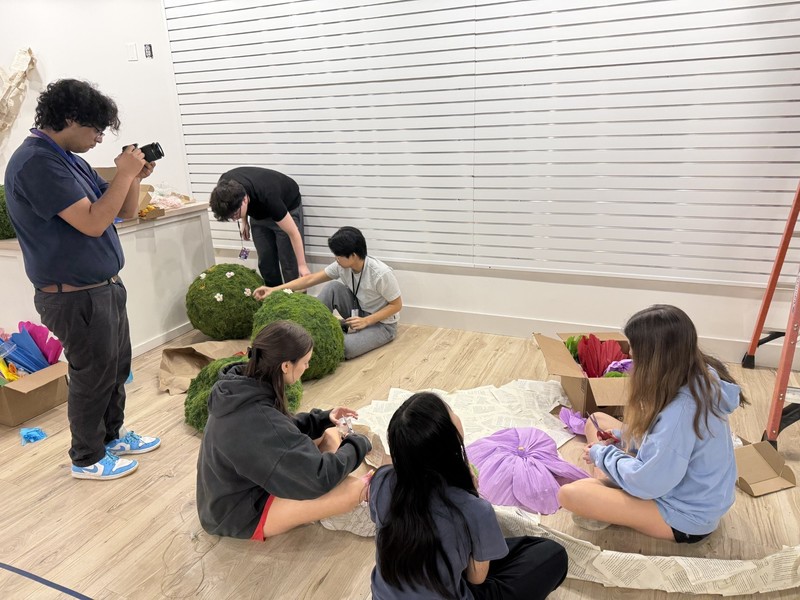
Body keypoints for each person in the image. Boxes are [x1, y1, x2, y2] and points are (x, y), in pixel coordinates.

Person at [3, 79, 161, 480]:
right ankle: (87, 458)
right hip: (74, 296)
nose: (98, 139)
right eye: (95, 129)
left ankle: (111, 437)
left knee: (114, 368)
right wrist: (123, 174)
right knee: (92, 375)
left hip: (103, 287)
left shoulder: (66, 157)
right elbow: (92, 223)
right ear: (70, 119)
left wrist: (134, 177)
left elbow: (119, 212)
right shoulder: (36, 162)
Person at [558, 304, 745, 543]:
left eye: (635, 356)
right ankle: (607, 485)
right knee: (597, 420)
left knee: (571, 494)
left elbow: (648, 483)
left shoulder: (681, 413)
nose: (631, 361)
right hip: (679, 488)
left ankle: (605, 488)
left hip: (685, 518)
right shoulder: (698, 376)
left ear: (655, 360)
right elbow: (665, 442)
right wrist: (622, 438)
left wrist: (603, 455)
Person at [369, 392, 568, 600]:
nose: (456, 414)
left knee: (500, 549)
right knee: (553, 554)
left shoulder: (381, 480)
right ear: (449, 439)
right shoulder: (474, 509)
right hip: (453, 589)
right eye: (451, 411)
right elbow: (476, 579)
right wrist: (471, 494)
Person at [196, 320, 374, 540]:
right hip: (237, 513)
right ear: (286, 366)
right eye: (306, 362)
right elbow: (319, 477)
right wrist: (358, 443)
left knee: (328, 434)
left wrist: (322, 418)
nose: (308, 367)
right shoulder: (257, 418)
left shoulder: (240, 387)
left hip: (227, 495)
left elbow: (278, 430)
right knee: (352, 490)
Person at [254, 226, 402, 360]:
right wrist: (273, 289)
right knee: (332, 287)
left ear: (354, 255)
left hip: (382, 325)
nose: (335, 259)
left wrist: (366, 321)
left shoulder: (380, 274)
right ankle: (309, 327)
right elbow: (309, 279)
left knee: (345, 349)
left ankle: (333, 330)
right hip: (359, 311)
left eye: (338, 255)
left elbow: (396, 305)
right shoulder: (341, 266)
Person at [209, 167, 309, 286]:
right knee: (266, 263)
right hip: (258, 213)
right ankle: (273, 298)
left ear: (245, 199)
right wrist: (244, 221)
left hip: (286, 207)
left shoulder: (269, 197)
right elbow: (234, 204)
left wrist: (302, 266)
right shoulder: (223, 188)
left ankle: (295, 301)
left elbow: (293, 233)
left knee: (289, 264)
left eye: (235, 215)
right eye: (231, 217)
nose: (234, 218)